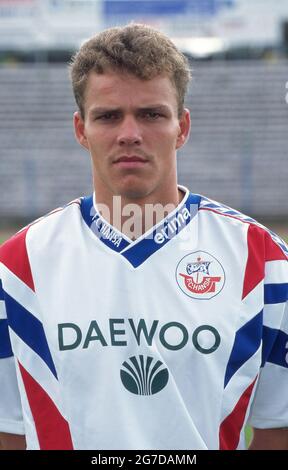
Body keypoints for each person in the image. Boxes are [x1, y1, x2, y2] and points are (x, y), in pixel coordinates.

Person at [0, 23, 287, 451]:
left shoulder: (264, 262)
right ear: (81, 129)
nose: (129, 133)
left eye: (152, 114)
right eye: (108, 115)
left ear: (182, 127)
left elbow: (277, 428)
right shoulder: (18, 268)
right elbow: (10, 431)